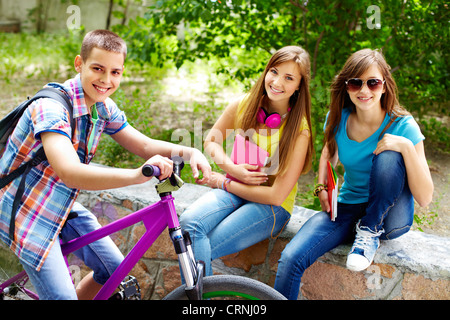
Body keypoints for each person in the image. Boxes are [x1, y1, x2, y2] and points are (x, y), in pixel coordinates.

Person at [0, 29, 211, 300]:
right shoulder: (51, 109)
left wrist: (188, 151)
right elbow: (70, 172)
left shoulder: (102, 107)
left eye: (115, 72)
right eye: (98, 68)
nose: (106, 80)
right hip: (26, 212)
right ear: (79, 63)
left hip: (59, 204)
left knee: (117, 271)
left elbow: (144, 145)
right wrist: (136, 175)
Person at [274, 48, 433, 299]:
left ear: (385, 86)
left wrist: (405, 147)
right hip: (348, 206)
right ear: (346, 86)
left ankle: (369, 229)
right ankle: (361, 227)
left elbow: (425, 198)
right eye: (355, 83)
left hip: (390, 215)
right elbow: (329, 155)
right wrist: (321, 188)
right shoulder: (338, 118)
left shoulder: (404, 126)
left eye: (373, 82)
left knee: (390, 153)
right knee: (291, 258)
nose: (364, 90)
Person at [179, 46, 313, 277]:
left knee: (199, 246)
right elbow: (211, 140)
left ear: (299, 85)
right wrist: (232, 169)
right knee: (189, 224)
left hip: (271, 208)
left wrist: (224, 182)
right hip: (236, 190)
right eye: (274, 71)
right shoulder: (244, 104)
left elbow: (276, 196)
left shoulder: (300, 130)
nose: (277, 82)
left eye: (289, 78)